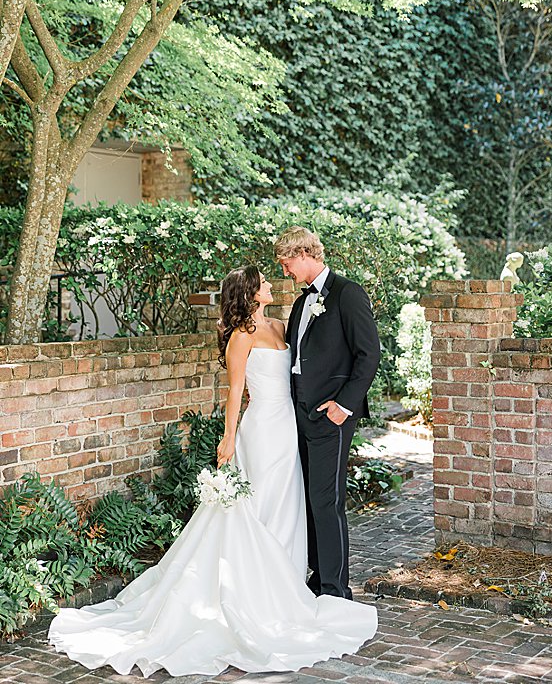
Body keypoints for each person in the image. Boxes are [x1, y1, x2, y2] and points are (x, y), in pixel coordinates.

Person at [49, 266, 380, 677]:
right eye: (264, 283)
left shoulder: (283, 322)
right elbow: (235, 393)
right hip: (261, 431)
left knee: (289, 503)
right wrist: (228, 438)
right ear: (250, 292)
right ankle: (258, 592)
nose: (272, 285)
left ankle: (288, 583)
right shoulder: (240, 338)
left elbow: (312, 365)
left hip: (290, 428)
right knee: (259, 505)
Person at [274, 226, 380, 599]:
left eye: (287, 264)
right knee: (307, 497)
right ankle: (318, 580)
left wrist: (344, 405)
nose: (286, 272)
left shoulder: (347, 294)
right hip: (298, 411)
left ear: (304, 254)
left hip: (331, 413)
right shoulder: (302, 303)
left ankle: (336, 590)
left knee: (326, 499)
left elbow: (369, 355)